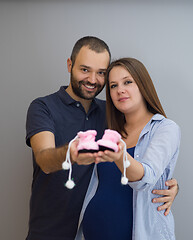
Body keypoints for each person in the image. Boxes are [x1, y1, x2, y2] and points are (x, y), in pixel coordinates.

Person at [25, 36, 179, 240]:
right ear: (70, 65)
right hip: (50, 230)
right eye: (85, 69)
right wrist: (70, 154)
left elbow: (146, 167)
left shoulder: (110, 115)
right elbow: (44, 159)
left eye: (101, 73)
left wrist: (168, 186)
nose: (92, 79)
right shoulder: (43, 107)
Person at [75, 58, 181, 240]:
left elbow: (145, 179)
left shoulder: (165, 128)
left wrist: (120, 156)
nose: (120, 90)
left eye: (127, 82)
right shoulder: (108, 132)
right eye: (113, 86)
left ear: (143, 85)